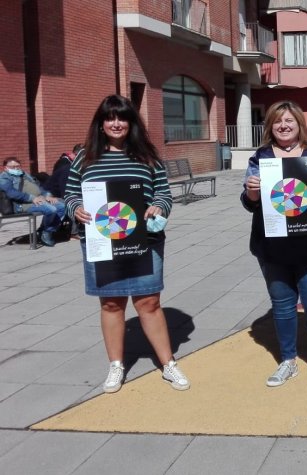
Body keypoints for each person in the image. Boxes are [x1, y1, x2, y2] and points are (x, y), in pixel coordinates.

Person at [64, 95, 190, 394]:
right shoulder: (85, 157)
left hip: (143, 240)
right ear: (101, 123)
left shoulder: (147, 156)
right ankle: (116, 365)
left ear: (132, 122)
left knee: (148, 302)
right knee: (111, 303)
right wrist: (76, 208)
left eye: (122, 117)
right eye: (110, 117)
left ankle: (168, 363)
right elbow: (70, 193)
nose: (116, 123)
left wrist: (158, 206)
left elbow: (164, 193)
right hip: (102, 240)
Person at [241, 101, 307, 388]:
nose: (283, 125)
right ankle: (288, 360)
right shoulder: (260, 157)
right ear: (270, 126)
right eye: (277, 121)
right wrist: (251, 192)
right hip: (272, 246)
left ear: (299, 124)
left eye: (289, 121)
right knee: (283, 306)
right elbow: (249, 203)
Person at [0, 157, 66, 247]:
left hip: (39, 199)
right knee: (51, 209)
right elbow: (11, 193)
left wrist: (47, 195)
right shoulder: (4, 177)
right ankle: (46, 232)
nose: (16, 169)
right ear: (5, 168)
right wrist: (32, 198)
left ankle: (46, 230)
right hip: (23, 204)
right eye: (12, 167)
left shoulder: (24, 174)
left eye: (17, 166)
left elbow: (39, 186)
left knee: (62, 206)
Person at [45, 144, 84, 239]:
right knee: (74, 204)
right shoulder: (67, 169)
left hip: (58, 193)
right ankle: (74, 232)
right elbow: (65, 191)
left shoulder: (73, 166)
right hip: (51, 194)